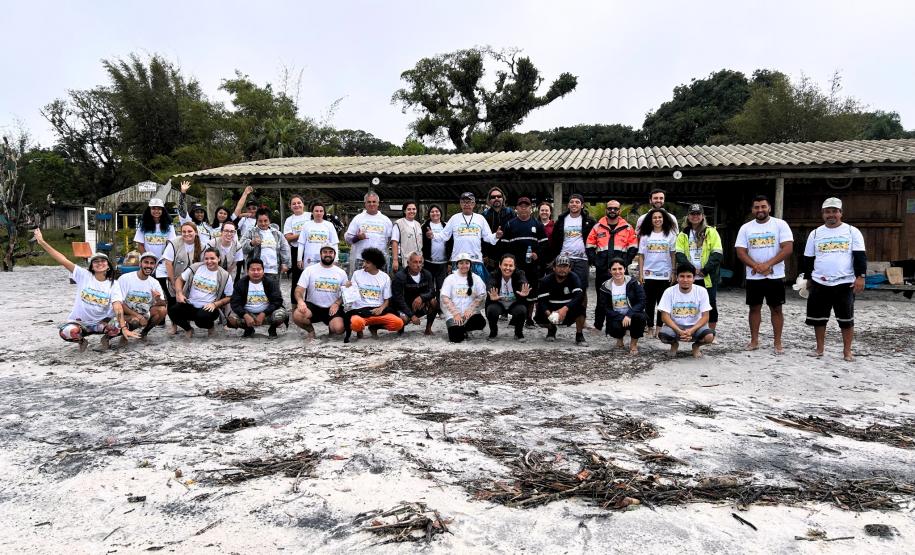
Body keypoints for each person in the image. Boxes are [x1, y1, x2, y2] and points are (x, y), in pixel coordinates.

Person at [34, 229, 138, 351]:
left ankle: (106, 339)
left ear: (108, 266)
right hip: (80, 323)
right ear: (92, 266)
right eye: (96, 261)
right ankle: (82, 341)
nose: (99, 263)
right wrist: (42, 242)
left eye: (103, 261)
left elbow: (118, 307)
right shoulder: (83, 275)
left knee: (122, 325)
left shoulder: (113, 284)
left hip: (102, 323)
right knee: (66, 332)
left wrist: (124, 328)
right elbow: (62, 259)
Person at [802, 197, 866, 362]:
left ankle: (847, 351)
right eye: (827, 212)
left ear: (841, 213)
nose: (831, 215)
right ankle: (819, 349)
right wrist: (808, 278)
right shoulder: (815, 233)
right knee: (818, 318)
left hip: (844, 282)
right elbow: (808, 258)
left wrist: (861, 277)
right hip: (819, 281)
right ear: (823, 214)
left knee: (846, 319)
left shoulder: (852, 231)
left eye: (834, 211)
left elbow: (860, 256)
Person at [734, 195, 793, 353]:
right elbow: (740, 251)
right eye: (757, 207)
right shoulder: (746, 228)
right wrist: (756, 266)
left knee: (776, 309)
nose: (760, 210)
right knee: (754, 308)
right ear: (752, 209)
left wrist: (768, 265)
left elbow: (787, 248)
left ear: (769, 208)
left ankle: (777, 343)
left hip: (775, 275)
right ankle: (754, 341)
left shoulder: (780, 224)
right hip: (754, 276)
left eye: (763, 206)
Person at [587, 199, 638, 329]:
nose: (612, 211)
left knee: (624, 296)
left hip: (620, 270)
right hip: (602, 268)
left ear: (619, 211)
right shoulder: (597, 227)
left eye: (615, 208)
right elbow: (589, 246)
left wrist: (625, 263)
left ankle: (623, 324)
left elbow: (633, 247)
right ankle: (598, 325)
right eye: (610, 208)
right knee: (601, 297)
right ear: (606, 210)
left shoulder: (627, 227)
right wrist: (596, 262)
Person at [499, 197, 546, 327]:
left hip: (532, 266)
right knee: (516, 291)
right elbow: (504, 245)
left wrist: (537, 254)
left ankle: (529, 318)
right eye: (521, 206)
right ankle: (516, 317)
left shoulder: (538, 224)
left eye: (526, 206)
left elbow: (544, 245)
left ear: (531, 208)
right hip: (515, 266)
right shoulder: (510, 224)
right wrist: (507, 261)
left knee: (531, 292)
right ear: (517, 208)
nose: (524, 208)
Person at [676, 204, 724, 331]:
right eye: (692, 214)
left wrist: (705, 270)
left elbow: (717, 253)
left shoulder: (711, 232)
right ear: (688, 216)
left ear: (702, 216)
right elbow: (679, 254)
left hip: (707, 276)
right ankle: (693, 330)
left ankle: (711, 332)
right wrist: (692, 270)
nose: (695, 216)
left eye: (698, 214)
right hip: (690, 276)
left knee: (710, 303)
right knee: (692, 304)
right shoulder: (683, 234)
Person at [342, 247, 403, 342]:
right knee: (356, 323)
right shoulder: (357, 274)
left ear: (375, 263)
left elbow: (387, 300)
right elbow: (352, 295)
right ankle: (359, 331)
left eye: (367, 262)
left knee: (398, 323)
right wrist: (348, 287)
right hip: (360, 311)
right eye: (364, 261)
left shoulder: (385, 277)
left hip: (378, 312)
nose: (364, 265)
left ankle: (374, 327)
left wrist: (381, 308)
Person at [169, 248, 233, 338]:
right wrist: (179, 293)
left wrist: (215, 304)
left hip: (208, 307)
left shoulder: (225, 275)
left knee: (201, 319)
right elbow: (180, 279)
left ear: (218, 259)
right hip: (190, 304)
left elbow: (229, 297)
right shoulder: (196, 267)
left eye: (212, 258)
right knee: (172, 311)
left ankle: (210, 326)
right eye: (206, 258)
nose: (209, 261)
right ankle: (188, 329)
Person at [440, 192, 502, 283]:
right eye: (464, 202)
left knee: (477, 288)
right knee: (459, 288)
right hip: (458, 261)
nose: (466, 204)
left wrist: (496, 236)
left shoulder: (480, 218)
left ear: (474, 204)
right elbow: (444, 236)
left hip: (476, 260)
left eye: (469, 202)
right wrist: (433, 236)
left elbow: (488, 238)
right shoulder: (454, 218)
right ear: (460, 204)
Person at [657, 264, 716, 358]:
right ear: (677, 278)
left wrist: (691, 330)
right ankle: (674, 345)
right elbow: (664, 317)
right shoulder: (669, 291)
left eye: (689, 276)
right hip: (675, 326)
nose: (685, 280)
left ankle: (696, 346)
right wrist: (679, 331)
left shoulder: (702, 291)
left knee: (709, 336)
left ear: (694, 278)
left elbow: (706, 317)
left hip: (696, 327)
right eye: (682, 276)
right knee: (663, 335)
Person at [548, 193, 595, 311]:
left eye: (577, 202)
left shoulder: (589, 221)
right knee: (562, 287)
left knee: (582, 289)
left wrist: (592, 257)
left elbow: (595, 239)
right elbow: (554, 240)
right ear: (568, 205)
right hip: (564, 259)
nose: (574, 204)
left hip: (582, 259)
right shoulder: (561, 220)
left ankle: (581, 316)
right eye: (572, 202)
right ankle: (562, 314)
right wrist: (554, 258)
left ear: (582, 205)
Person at [293, 244, 348, 340]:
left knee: (339, 328)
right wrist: (300, 301)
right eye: (325, 252)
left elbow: (346, 293)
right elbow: (298, 290)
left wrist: (337, 303)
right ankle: (311, 331)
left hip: (332, 308)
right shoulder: (309, 270)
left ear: (334, 255)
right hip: (313, 306)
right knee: (298, 315)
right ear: (320, 254)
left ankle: (331, 328)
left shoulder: (341, 273)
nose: (328, 254)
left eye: (330, 252)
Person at [637, 207, 677, 336]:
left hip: (665, 274)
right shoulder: (645, 235)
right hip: (649, 274)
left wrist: (673, 272)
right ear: (650, 220)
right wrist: (641, 273)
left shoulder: (670, 234)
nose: (657, 219)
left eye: (660, 217)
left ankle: (659, 327)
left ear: (664, 219)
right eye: (654, 217)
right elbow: (641, 255)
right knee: (649, 303)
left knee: (662, 303)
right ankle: (650, 327)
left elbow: (673, 255)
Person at [597, 258, 647, 355]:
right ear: (610, 271)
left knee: (640, 318)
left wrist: (629, 315)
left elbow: (642, 301)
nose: (617, 272)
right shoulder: (605, 286)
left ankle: (633, 344)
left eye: (620, 268)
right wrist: (621, 317)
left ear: (625, 269)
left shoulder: (633, 282)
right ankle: (619, 340)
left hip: (632, 315)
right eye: (614, 269)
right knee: (614, 326)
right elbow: (605, 307)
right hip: (616, 316)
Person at [228, 259, 288, 338]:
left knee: (281, 314)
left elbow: (277, 301)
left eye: (259, 269)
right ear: (247, 271)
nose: (256, 272)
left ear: (263, 271)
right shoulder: (240, 283)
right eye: (253, 270)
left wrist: (264, 313)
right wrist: (245, 315)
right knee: (231, 318)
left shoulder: (271, 283)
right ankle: (248, 329)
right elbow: (235, 303)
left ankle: (272, 329)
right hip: (248, 314)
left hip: (267, 314)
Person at [162, 223, 204, 334]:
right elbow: (168, 263)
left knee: (187, 303)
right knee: (172, 302)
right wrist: (172, 281)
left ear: (196, 232)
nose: (186, 234)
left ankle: (187, 325)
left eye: (190, 231)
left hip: (193, 281)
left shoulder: (203, 246)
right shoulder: (174, 243)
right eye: (184, 231)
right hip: (175, 277)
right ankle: (174, 325)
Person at [535, 255, 587, 345]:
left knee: (581, 307)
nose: (562, 269)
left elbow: (578, 296)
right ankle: (551, 329)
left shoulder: (574, 277)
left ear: (569, 268)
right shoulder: (546, 280)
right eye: (559, 266)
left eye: (565, 266)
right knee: (539, 311)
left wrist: (565, 309)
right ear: (554, 268)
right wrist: (549, 315)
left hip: (568, 308)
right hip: (552, 308)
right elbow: (542, 301)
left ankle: (579, 335)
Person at [134, 197, 177, 304]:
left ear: (163, 210)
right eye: (153, 208)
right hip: (148, 262)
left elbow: (170, 244)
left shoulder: (169, 225)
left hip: (163, 263)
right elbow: (140, 244)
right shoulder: (142, 225)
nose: (156, 211)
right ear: (149, 210)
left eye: (159, 208)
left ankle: (169, 312)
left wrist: (162, 259)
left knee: (165, 290)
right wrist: (148, 259)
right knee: (147, 289)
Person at [116, 251, 168, 341]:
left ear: (155, 266)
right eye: (146, 262)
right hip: (124, 313)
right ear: (140, 264)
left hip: (143, 313)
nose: (149, 266)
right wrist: (138, 316)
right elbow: (119, 303)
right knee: (135, 321)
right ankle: (114, 336)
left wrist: (158, 299)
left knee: (162, 310)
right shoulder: (125, 278)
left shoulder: (154, 282)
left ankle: (144, 333)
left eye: (152, 263)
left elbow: (163, 304)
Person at [439, 252, 487, 343]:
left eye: (467, 263)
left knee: (480, 322)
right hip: (453, 314)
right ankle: (460, 329)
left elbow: (482, 295)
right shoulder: (450, 279)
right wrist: (455, 314)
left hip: (469, 314)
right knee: (456, 339)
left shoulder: (476, 278)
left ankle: (465, 329)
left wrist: (470, 310)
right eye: (461, 263)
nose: (464, 266)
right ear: (457, 265)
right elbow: (445, 297)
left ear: (470, 264)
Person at [344, 191, 393, 275]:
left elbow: (390, 240)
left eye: (374, 202)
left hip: (380, 260)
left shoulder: (386, 220)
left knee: (380, 282)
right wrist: (357, 238)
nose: (371, 204)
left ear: (378, 203)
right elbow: (348, 239)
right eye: (369, 202)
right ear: (365, 204)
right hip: (361, 259)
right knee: (360, 282)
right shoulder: (358, 218)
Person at [485, 254, 531, 341]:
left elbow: (523, 281)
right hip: (498, 302)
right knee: (491, 309)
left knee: (522, 310)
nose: (508, 268)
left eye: (511, 265)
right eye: (505, 265)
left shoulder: (519, 273)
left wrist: (523, 289)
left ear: (515, 266)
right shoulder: (494, 274)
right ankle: (493, 332)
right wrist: (490, 293)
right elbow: (490, 284)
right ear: (500, 265)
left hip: (514, 303)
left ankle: (518, 333)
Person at [391, 251, 438, 335]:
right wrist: (412, 315)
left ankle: (428, 329)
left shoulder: (427, 274)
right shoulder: (399, 276)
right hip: (404, 307)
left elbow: (432, 292)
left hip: (420, 306)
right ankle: (400, 330)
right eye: (415, 262)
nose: (418, 265)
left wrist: (422, 297)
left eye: (420, 262)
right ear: (408, 263)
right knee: (403, 320)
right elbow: (398, 299)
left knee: (434, 302)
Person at [242, 208, 291, 287]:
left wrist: (285, 263)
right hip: (255, 271)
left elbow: (285, 248)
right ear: (256, 221)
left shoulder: (277, 234)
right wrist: (251, 243)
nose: (263, 223)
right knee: (256, 292)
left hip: (273, 270)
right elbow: (241, 247)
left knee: (273, 292)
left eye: (265, 221)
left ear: (269, 221)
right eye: (260, 221)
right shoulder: (250, 232)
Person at [283, 194, 312, 307]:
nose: (297, 205)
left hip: (312, 250)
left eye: (299, 203)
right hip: (296, 251)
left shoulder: (310, 215)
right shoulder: (289, 220)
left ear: (303, 204)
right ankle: (294, 305)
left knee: (312, 277)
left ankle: (311, 304)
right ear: (290, 206)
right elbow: (288, 237)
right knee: (297, 278)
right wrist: (303, 234)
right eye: (293, 203)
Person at [296, 201, 339, 269]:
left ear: (324, 213)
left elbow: (334, 243)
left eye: (321, 211)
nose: (319, 213)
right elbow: (301, 243)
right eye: (316, 211)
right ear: (312, 212)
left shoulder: (329, 225)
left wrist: (336, 259)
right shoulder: (306, 225)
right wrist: (299, 259)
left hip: (325, 258)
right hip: (309, 259)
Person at [481, 186, 514, 271]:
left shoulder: (510, 213)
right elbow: (481, 237)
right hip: (490, 258)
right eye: (493, 197)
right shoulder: (484, 215)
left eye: (499, 196)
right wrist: (484, 254)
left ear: (503, 198)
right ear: (489, 200)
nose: (496, 198)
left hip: (508, 255)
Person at [421, 204, 452, 290]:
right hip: (428, 262)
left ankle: (439, 299)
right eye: (432, 212)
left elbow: (451, 243)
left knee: (441, 288)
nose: (435, 213)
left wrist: (449, 262)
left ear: (440, 213)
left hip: (443, 263)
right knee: (428, 287)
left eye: (437, 211)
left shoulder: (446, 226)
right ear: (429, 214)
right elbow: (420, 243)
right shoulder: (424, 226)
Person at [391, 202, 423, 274]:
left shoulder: (418, 224)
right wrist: (395, 260)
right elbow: (394, 242)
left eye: (414, 209)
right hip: (404, 261)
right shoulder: (399, 224)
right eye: (409, 209)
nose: (412, 211)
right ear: (404, 211)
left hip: (417, 261)